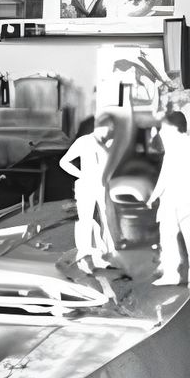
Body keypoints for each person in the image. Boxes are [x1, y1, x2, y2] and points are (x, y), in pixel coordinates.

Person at [59, 115, 117, 273]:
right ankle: (83, 255)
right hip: (85, 186)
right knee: (85, 220)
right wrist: (81, 174)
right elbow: (64, 162)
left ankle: (108, 255)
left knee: (107, 219)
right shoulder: (84, 141)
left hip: (103, 186)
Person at [151, 111, 190, 286]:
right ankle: (171, 274)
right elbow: (165, 176)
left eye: (164, 129)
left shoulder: (185, 145)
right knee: (167, 236)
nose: (160, 133)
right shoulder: (173, 148)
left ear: (175, 128)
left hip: (184, 199)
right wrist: (153, 197)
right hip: (169, 200)